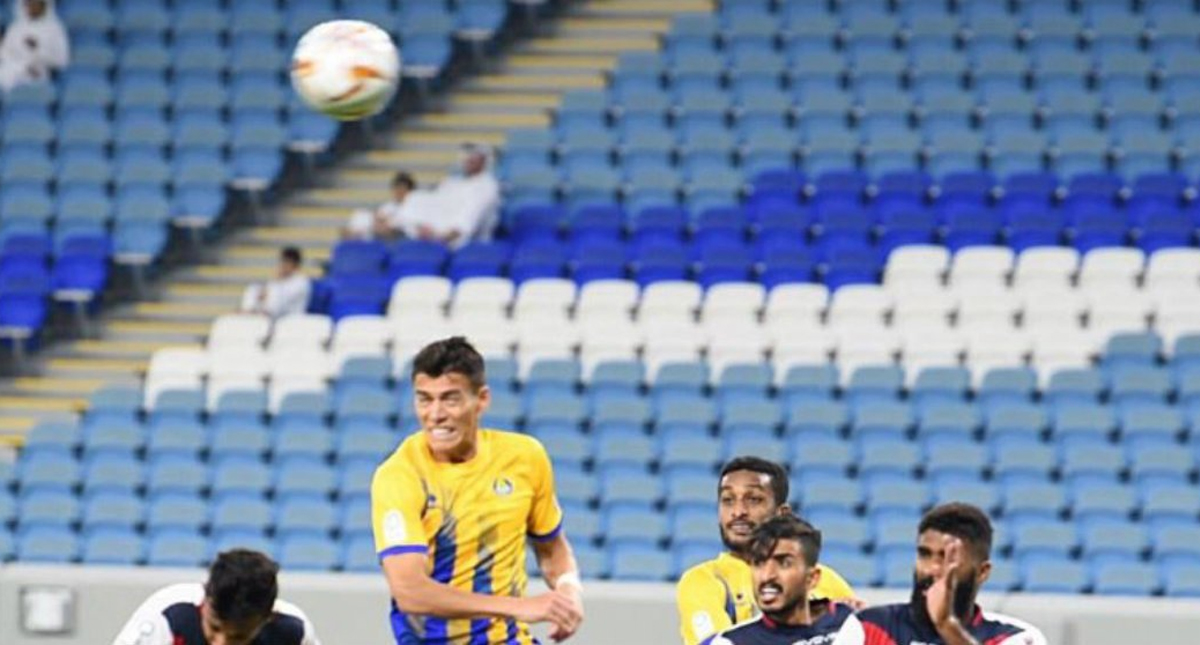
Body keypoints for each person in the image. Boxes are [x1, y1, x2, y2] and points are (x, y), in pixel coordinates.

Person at [371, 336, 584, 644]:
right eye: (424, 399)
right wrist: (519, 607)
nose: (435, 414)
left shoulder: (524, 457)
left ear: (481, 399)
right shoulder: (400, 475)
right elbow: (409, 592)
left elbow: (552, 548)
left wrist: (568, 589)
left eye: (450, 399)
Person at [677, 457, 858, 645]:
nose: (738, 511)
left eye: (754, 499)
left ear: (782, 513)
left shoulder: (825, 579)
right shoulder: (704, 581)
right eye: (728, 500)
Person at [832, 503, 1047, 645]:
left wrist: (947, 628)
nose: (933, 569)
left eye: (949, 559)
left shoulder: (1015, 638)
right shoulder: (869, 627)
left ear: (982, 573)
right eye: (925, 555)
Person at [110, 549, 321, 645]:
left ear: (268, 618)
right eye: (214, 628)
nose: (220, 643)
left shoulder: (293, 634)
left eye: (237, 638)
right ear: (205, 601)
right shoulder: (168, 618)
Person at [703, 515, 854, 645]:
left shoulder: (851, 622)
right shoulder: (733, 642)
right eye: (759, 563)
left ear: (812, 578)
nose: (767, 575)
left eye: (784, 563)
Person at [400, 144, 500, 249]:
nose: (469, 160)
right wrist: (422, 228)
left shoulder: (487, 186)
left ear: (485, 161)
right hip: (436, 234)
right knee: (414, 197)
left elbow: (471, 217)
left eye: (474, 158)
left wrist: (443, 237)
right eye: (468, 157)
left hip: (468, 244)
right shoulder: (454, 183)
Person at [0, 0, 69, 92]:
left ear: (44, 6)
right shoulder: (16, 27)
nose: (32, 7)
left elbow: (62, 60)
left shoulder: (55, 29)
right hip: (14, 69)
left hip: (39, 71)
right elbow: (5, 53)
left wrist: (38, 50)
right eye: (29, 4)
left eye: (36, 4)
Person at [238, 246, 311, 320]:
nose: (283, 265)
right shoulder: (278, 279)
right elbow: (265, 294)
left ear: (295, 265)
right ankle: (247, 312)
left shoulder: (301, 282)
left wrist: (274, 286)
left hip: (290, 318)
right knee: (253, 288)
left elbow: (282, 301)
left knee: (274, 291)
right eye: (282, 261)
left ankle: (257, 314)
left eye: (287, 262)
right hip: (271, 316)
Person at [341, 171, 417, 241]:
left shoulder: (415, 207)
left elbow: (410, 228)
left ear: (410, 191)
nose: (399, 193)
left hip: (404, 239)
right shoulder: (387, 206)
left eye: (403, 190)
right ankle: (354, 234)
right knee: (360, 214)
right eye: (397, 189)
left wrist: (389, 224)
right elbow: (379, 222)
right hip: (383, 237)